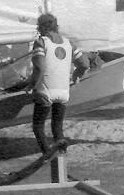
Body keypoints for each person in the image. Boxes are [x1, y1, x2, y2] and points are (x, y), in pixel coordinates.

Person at [29, 13, 89, 155]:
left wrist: (31, 86)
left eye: (38, 26)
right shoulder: (69, 43)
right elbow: (85, 64)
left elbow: (39, 68)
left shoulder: (41, 42)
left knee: (38, 126)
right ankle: (62, 157)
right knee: (57, 126)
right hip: (63, 92)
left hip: (45, 91)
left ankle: (47, 156)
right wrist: (76, 76)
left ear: (43, 27)